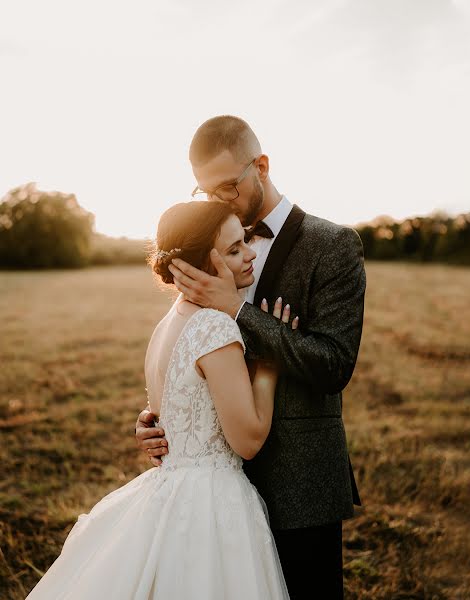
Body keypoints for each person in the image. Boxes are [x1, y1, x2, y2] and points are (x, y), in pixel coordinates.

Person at [136, 115, 366, 599]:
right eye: (206, 193)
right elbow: (188, 350)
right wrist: (160, 419)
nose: (219, 201)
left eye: (226, 186)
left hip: (300, 482)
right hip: (215, 489)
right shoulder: (211, 243)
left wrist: (239, 310)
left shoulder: (332, 245)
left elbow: (334, 365)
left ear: (260, 165)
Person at [26, 201, 295, 600]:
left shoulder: (169, 323)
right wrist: (270, 366)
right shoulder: (214, 326)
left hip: (167, 491)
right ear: (205, 262)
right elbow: (249, 440)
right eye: (235, 248)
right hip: (210, 505)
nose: (250, 254)